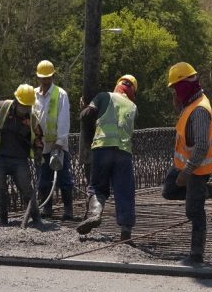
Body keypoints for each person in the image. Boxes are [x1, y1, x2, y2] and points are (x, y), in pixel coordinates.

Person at [162, 62, 212, 265]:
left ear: (184, 86)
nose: (174, 93)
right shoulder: (192, 103)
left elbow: (201, 147)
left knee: (194, 210)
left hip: (197, 168)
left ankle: (196, 255)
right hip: (184, 164)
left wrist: (188, 172)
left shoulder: (199, 110)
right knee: (169, 190)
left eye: (175, 89)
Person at [76, 75, 139, 243]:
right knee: (124, 192)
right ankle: (126, 233)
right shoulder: (133, 107)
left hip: (102, 148)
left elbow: (87, 116)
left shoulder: (104, 96)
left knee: (97, 187)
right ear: (132, 91)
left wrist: (83, 108)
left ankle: (96, 214)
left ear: (117, 85)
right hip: (124, 153)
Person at [0, 84, 43, 227]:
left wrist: (38, 150)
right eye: (22, 105)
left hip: (19, 160)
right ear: (16, 101)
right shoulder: (2, 108)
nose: (25, 109)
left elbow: (38, 136)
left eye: (28, 106)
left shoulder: (32, 119)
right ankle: (3, 220)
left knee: (26, 188)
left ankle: (36, 218)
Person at [33, 60, 74, 222]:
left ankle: (68, 210)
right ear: (38, 77)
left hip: (57, 145)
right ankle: (47, 208)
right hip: (41, 145)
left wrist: (61, 140)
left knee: (63, 178)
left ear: (52, 76)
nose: (45, 81)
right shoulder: (34, 94)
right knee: (43, 180)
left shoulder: (60, 94)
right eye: (43, 78)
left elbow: (64, 119)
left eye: (48, 77)